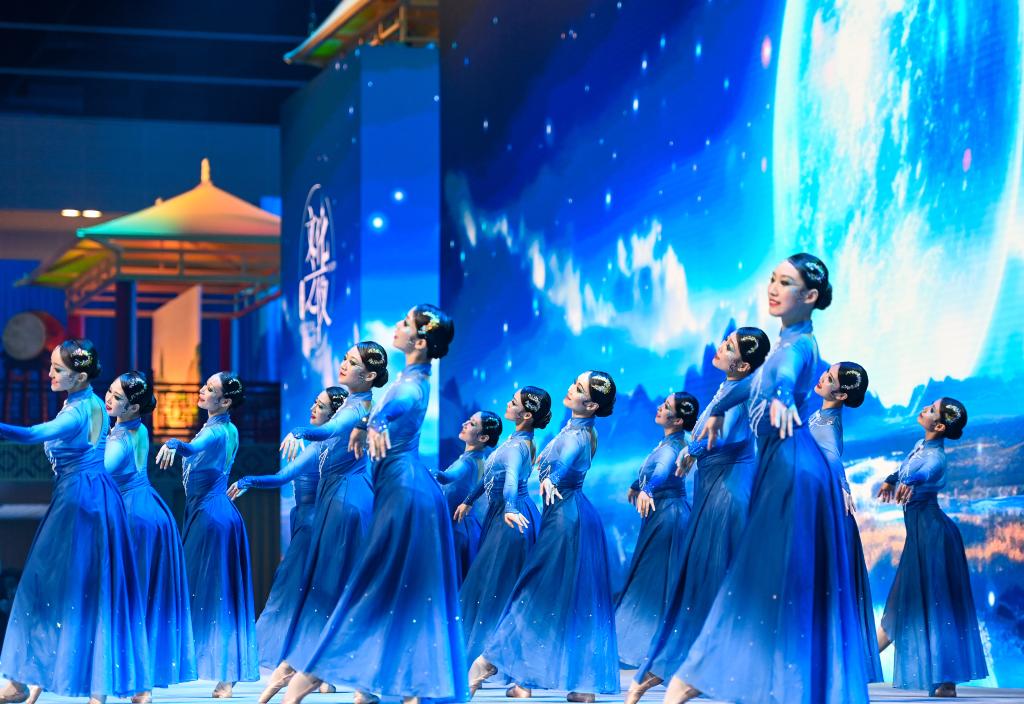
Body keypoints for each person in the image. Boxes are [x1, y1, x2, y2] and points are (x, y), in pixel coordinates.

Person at [665, 254, 870, 704]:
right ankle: (740, 678)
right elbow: (754, 384)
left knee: (763, 576)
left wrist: (781, 398)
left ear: (810, 296)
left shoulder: (799, 347)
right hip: (783, 465)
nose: (774, 288)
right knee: (769, 579)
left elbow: (782, 380)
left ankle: (704, 676)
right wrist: (717, 410)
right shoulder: (786, 342)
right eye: (773, 279)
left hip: (792, 470)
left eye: (787, 282)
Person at [281, 305, 466, 704]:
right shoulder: (411, 378)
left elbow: (400, 406)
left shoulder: (412, 385)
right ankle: (385, 683)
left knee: (377, 581)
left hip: (406, 494)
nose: (397, 326)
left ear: (420, 342)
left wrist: (375, 424)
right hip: (403, 490)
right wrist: (368, 425)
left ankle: (313, 678)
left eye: (405, 323)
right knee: (398, 584)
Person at [0, 340, 148, 704]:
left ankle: (23, 681)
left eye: (57, 369)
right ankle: (92, 685)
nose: (50, 374)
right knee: (87, 588)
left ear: (79, 376)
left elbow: (32, 435)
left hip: (80, 500)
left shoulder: (78, 411)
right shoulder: (90, 402)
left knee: (42, 586)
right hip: (92, 495)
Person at [626, 327, 769, 704]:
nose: (721, 348)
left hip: (727, 497)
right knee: (704, 584)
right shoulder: (727, 389)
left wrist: (692, 451)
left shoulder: (744, 393)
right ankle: (692, 670)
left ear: (744, 364)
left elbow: (726, 436)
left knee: (718, 584)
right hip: (712, 493)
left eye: (730, 347)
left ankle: (710, 672)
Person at [469, 371, 619, 703]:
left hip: (568, 522)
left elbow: (565, 462)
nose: (570, 388)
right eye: (574, 383)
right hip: (567, 516)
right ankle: (561, 684)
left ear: (591, 405)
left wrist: (553, 477)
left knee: (536, 592)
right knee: (562, 595)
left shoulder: (579, 435)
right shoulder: (578, 429)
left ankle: (490, 662)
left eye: (578, 388)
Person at [250, 343, 385, 703]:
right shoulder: (357, 411)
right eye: (345, 359)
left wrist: (299, 430)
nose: (343, 365)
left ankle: (311, 672)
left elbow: (330, 429)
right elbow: (290, 470)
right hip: (338, 503)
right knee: (336, 590)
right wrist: (249, 480)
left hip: (346, 505)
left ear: (369, 375)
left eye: (352, 362)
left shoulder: (356, 409)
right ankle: (315, 671)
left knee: (339, 589)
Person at [156, 372, 258, 698]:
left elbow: (192, 448)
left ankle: (223, 673)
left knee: (211, 592)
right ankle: (211, 669)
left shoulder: (215, 432)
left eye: (210, 389)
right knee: (207, 591)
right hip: (211, 512)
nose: (202, 390)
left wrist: (175, 443)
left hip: (213, 517)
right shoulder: (225, 427)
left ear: (225, 401)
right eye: (205, 385)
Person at [877, 397, 987, 697]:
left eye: (931, 410)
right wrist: (890, 479)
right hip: (921, 538)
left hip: (933, 539)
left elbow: (924, 473)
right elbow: (906, 469)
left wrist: (910, 480)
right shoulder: (921, 445)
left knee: (931, 605)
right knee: (903, 604)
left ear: (939, 426)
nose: (924, 409)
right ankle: (863, 667)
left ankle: (945, 681)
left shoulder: (937, 458)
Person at [105, 371, 196, 700]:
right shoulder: (134, 428)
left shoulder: (122, 437)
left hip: (135, 517)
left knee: (130, 598)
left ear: (133, 407)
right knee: (135, 597)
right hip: (145, 509)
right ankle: (136, 681)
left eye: (117, 397)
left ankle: (138, 683)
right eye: (110, 391)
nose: (108, 398)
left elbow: (101, 470)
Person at [455, 387, 550, 664]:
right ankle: (487, 658)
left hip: (511, 518)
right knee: (490, 584)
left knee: (496, 586)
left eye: (514, 402)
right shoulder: (515, 441)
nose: (508, 404)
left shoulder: (518, 447)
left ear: (526, 415)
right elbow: (490, 476)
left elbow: (510, 478)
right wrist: (469, 500)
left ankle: (493, 660)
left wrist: (509, 508)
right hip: (503, 515)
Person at [807, 362, 883, 684]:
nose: (822, 377)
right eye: (827, 372)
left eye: (829, 378)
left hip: (826, 511)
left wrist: (843, 487)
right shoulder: (820, 415)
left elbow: (831, 455)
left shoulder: (828, 423)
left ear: (840, 394)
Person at [615, 392, 697, 668]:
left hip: (668, 517)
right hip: (661, 514)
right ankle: (658, 649)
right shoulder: (669, 442)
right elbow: (653, 468)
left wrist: (647, 489)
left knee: (659, 582)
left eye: (667, 406)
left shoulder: (674, 447)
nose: (660, 408)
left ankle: (665, 651)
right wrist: (636, 485)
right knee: (655, 581)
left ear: (679, 420)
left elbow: (662, 470)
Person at [437, 411, 503, 584]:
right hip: (464, 527)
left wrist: (425, 472)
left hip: (456, 528)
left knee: (452, 579)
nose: (464, 424)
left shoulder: (467, 462)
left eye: (472, 424)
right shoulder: (477, 460)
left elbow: (447, 477)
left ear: (483, 437)